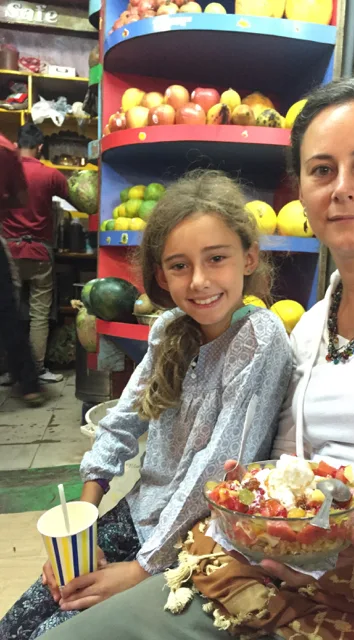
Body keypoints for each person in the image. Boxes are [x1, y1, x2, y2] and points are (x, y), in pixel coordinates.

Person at [36, 77, 354, 640]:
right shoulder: (312, 326)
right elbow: (287, 459)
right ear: (302, 192)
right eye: (322, 170)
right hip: (276, 564)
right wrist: (256, 496)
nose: (342, 188)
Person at [0, 169, 292, 639]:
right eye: (179, 266)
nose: (199, 281)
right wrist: (81, 526)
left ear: (249, 257)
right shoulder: (168, 329)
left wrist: (140, 569)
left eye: (216, 258)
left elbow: (214, 470)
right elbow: (120, 424)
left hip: (198, 540)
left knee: (53, 631)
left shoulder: (260, 337)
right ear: (160, 274)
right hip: (139, 513)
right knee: (20, 621)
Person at [2, 123, 70, 384]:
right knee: (39, 314)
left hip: (10, 252)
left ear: (16, 145)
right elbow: (83, 201)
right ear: (40, 147)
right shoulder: (50, 174)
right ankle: (38, 369)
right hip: (40, 253)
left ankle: (10, 370)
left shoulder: (7, 169)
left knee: (8, 312)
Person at [0, 133, 44, 406]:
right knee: (10, 314)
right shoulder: (5, 149)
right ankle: (29, 383)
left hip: (15, 246)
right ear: (40, 147)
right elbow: (20, 198)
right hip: (37, 251)